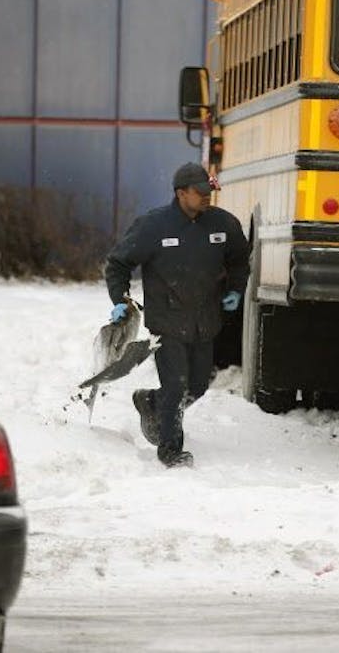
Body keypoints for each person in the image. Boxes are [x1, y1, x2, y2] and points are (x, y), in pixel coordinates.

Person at [104, 162, 249, 467]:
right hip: (167, 320)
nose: (207, 197)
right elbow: (118, 263)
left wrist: (236, 289)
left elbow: (239, 260)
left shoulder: (223, 225)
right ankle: (170, 450)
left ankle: (150, 402)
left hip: (205, 321)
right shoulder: (154, 226)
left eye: (210, 191)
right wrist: (120, 299)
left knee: (197, 385)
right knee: (176, 385)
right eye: (200, 192)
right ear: (181, 193)